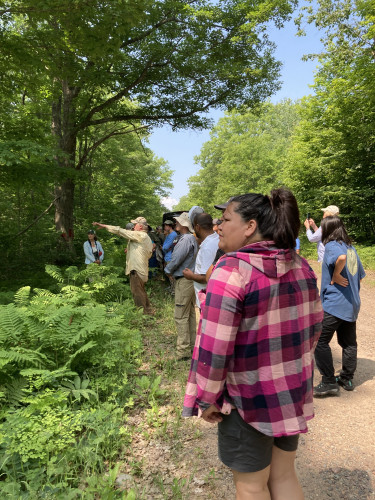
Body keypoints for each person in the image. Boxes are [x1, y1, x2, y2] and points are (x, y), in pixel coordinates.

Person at [183, 189, 323, 500]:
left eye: (226, 219)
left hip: (247, 399)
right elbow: (313, 329)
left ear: (250, 226)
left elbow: (214, 348)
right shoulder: (300, 265)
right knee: (284, 476)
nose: (219, 226)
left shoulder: (229, 270)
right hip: (290, 392)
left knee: (250, 486)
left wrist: (207, 398)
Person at [313, 216, 366, 396]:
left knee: (319, 341)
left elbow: (340, 259)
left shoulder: (332, 246)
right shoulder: (351, 248)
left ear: (328, 229)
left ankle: (328, 381)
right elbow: (359, 276)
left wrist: (335, 274)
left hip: (334, 304)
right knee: (349, 343)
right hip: (351, 304)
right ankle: (346, 379)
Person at [93, 217, 153, 315]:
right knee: (141, 291)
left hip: (136, 270)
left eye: (135, 224)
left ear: (140, 226)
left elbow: (121, 231)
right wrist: (130, 251)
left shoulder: (140, 234)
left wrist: (105, 226)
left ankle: (142, 315)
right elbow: (148, 254)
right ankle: (148, 311)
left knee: (137, 293)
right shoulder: (146, 237)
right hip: (142, 269)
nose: (133, 226)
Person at [164, 213, 198, 360]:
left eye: (177, 222)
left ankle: (182, 351)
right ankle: (190, 347)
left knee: (180, 315)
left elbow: (176, 258)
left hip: (184, 280)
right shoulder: (190, 238)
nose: (175, 223)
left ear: (184, 225)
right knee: (189, 313)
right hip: (187, 280)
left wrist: (167, 270)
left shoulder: (185, 239)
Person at [182, 213, 219, 313]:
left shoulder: (207, 247)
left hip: (206, 300)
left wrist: (191, 276)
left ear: (197, 227)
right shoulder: (216, 238)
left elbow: (206, 278)